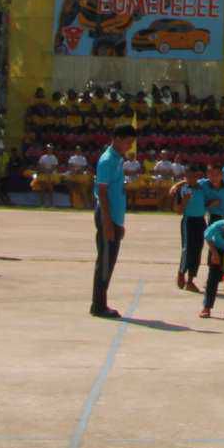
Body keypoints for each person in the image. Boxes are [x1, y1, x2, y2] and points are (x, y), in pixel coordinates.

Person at [89, 121, 132, 319]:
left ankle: (100, 303)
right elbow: (102, 192)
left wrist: (119, 223)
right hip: (107, 216)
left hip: (114, 217)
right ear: (117, 139)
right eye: (127, 142)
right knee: (105, 261)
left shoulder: (118, 159)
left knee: (109, 261)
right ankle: (98, 305)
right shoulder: (107, 160)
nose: (129, 146)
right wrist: (107, 222)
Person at [176, 163, 215, 291]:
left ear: (198, 176)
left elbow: (204, 204)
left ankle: (191, 279)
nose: (191, 179)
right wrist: (185, 201)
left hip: (200, 221)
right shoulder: (183, 189)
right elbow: (178, 211)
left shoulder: (203, 189)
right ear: (185, 176)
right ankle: (181, 272)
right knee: (187, 249)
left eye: (193, 176)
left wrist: (211, 204)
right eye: (188, 176)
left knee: (198, 249)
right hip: (188, 221)